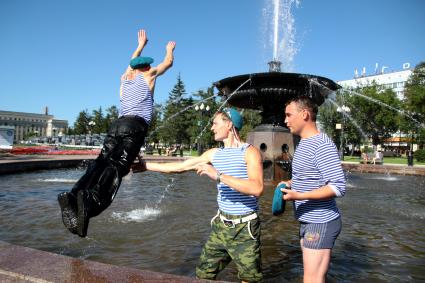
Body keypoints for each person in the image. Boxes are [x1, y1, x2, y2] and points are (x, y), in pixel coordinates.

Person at [57, 29, 176, 237]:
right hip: (135, 127)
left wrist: (140, 46)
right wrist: (169, 49)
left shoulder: (125, 79)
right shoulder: (149, 75)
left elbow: (131, 63)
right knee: (117, 168)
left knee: (101, 162)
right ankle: (90, 199)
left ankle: (74, 194)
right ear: (147, 67)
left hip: (116, 125)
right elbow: (168, 63)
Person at [132, 108, 264, 283]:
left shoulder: (249, 152)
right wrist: (146, 166)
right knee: (203, 274)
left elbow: (257, 188)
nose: (211, 128)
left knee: (250, 279)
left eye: (215, 123)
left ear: (229, 124)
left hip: (245, 228)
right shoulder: (213, 154)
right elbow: (180, 167)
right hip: (221, 226)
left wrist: (218, 175)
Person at [279, 96, 346, 283]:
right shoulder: (304, 143)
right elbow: (308, 176)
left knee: (312, 279)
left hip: (321, 221)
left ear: (305, 114)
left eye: (288, 115)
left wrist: (299, 195)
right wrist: (290, 183)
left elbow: (338, 186)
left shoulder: (322, 145)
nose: (285, 120)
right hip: (308, 220)